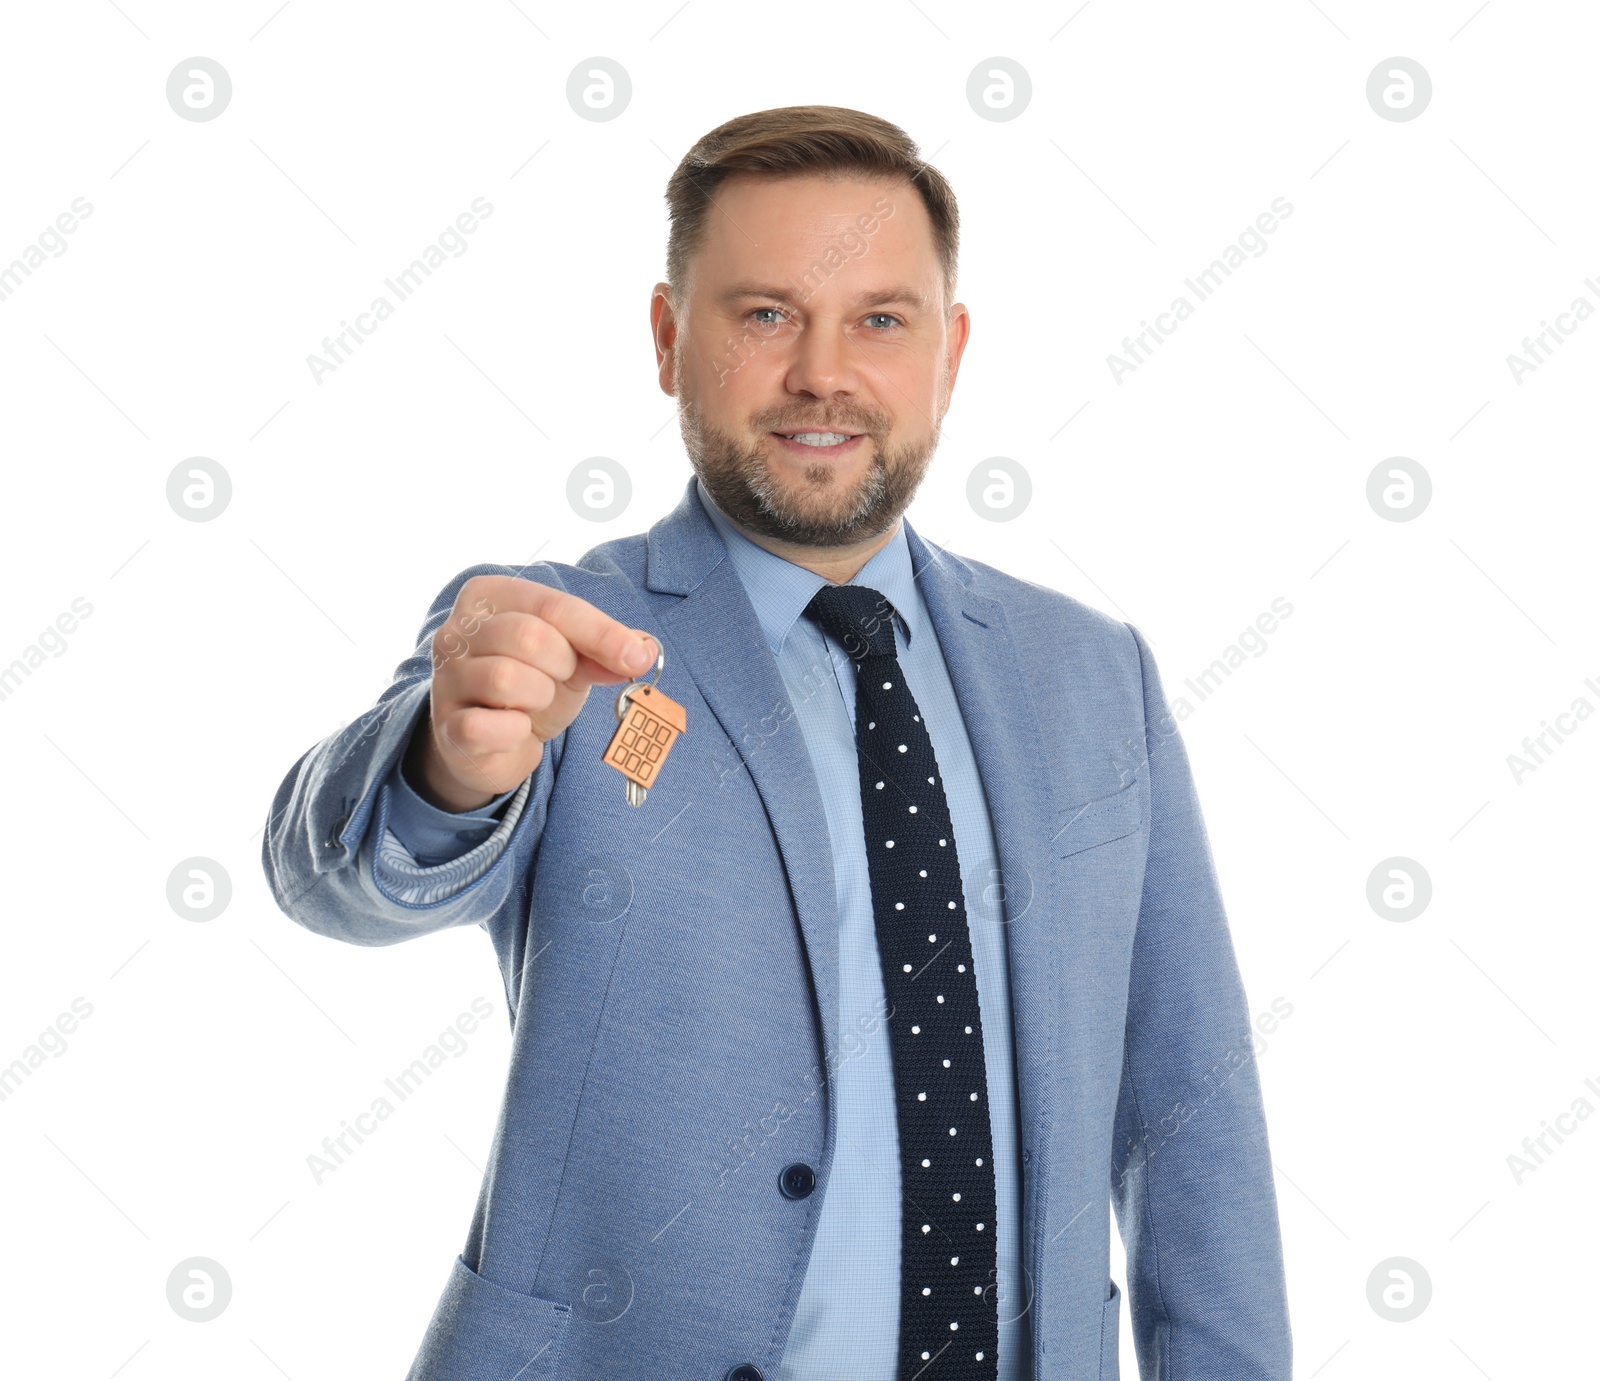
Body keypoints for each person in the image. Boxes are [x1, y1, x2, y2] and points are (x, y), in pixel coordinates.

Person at [263, 104, 1291, 1381]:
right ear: (666, 337)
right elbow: (337, 873)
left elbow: (1189, 1109)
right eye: (763, 315)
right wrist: (446, 766)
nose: (822, 373)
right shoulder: (560, 634)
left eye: (879, 319)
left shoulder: (1092, 673)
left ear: (949, 351)